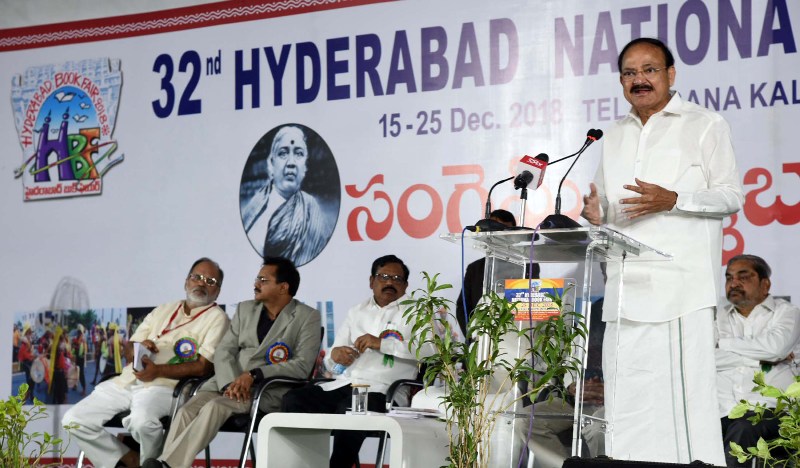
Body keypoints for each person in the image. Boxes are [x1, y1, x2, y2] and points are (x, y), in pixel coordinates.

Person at [580, 37, 743, 465]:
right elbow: (612, 207)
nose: (640, 80)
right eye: (630, 73)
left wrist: (675, 199)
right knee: (626, 408)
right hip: (624, 293)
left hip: (680, 292)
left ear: (671, 75)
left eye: (650, 70)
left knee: (684, 410)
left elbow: (729, 195)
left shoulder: (705, 124)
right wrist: (599, 214)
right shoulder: (612, 135)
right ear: (620, 81)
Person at [141, 256, 321, 468]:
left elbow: (302, 366)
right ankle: (166, 464)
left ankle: (168, 465)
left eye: (263, 280)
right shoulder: (245, 309)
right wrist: (229, 383)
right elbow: (224, 350)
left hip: (264, 390)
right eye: (257, 278)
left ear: (283, 287)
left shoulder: (307, 317)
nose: (255, 284)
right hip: (227, 384)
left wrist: (253, 376)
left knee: (214, 407)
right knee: (186, 410)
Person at [62, 258, 230, 468]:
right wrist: (139, 349)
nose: (201, 283)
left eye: (210, 280)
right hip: (129, 380)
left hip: (168, 387)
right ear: (187, 281)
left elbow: (204, 366)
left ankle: (150, 463)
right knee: (73, 419)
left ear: (218, 291)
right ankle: (129, 460)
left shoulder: (217, 318)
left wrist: (158, 370)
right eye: (196, 277)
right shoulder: (164, 309)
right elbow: (130, 347)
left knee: (142, 422)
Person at [281, 254, 421, 468]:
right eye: (383, 276)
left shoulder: (417, 312)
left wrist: (382, 344)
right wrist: (335, 356)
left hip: (385, 392)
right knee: (294, 400)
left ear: (406, 286)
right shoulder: (356, 312)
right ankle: (303, 463)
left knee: (351, 408)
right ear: (371, 281)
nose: (390, 282)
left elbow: (431, 351)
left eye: (397, 279)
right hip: (346, 384)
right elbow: (330, 363)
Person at [716, 255, 800, 468]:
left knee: (744, 428)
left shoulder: (787, 313)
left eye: (743, 277)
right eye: (729, 278)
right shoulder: (716, 316)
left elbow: (776, 347)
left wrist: (722, 344)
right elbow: (704, 357)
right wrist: (767, 359)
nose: (734, 283)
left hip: (771, 411)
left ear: (765, 284)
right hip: (721, 409)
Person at [241, 125, 335, 265]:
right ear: (271, 163)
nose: (291, 163)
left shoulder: (311, 209)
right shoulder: (254, 207)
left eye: (298, 154)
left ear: (305, 167)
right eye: (283, 153)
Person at [455, 209, 541, 336]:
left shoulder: (528, 267)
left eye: (504, 231)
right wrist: (474, 337)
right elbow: (463, 308)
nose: (499, 236)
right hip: (480, 340)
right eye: (495, 231)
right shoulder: (474, 268)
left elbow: (531, 305)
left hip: (513, 339)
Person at [18, 325, 35, 403]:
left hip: (30, 362)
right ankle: (27, 395)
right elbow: (24, 354)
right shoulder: (24, 343)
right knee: (29, 380)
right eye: (29, 332)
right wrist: (32, 356)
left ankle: (30, 394)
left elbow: (30, 352)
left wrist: (32, 356)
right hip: (26, 363)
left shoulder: (29, 341)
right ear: (26, 333)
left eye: (30, 332)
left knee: (32, 380)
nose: (30, 333)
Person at [73, 325, 88, 395]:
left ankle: (84, 389)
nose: (78, 332)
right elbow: (76, 345)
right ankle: (75, 385)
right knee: (76, 371)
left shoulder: (82, 337)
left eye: (79, 331)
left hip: (81, 358)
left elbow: (78, 344)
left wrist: (75, 344)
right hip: (77, 357)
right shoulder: (78, 336)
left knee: (81, 374)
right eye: (78, 331)